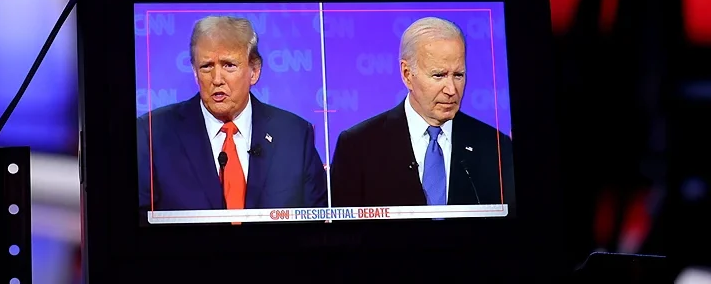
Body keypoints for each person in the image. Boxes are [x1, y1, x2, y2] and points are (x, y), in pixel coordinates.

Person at [138, 16, 327, 216]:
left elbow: (316, 219)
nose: (217, 79)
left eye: (229, 65)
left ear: (254, 71)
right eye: (207, 66)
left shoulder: (295, 135)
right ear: (195, 72)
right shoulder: (152, 133)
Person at [330, 17, 515, 209]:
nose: (451, 89)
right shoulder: (357, 146)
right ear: (407, 74)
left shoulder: (495, 147)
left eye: (458, 75)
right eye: (439, 75)